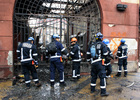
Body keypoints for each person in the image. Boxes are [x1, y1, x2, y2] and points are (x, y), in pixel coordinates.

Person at [86, 32, 109, 96]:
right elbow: (105, 54)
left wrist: (89, 61)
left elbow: (88, 54)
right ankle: (103, 92)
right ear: (101, 38)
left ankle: (92, 89)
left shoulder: (91, 44)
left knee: (93, 76)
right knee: (102, 77)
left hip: (93, 63)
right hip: (100, 63)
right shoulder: (102, 44)